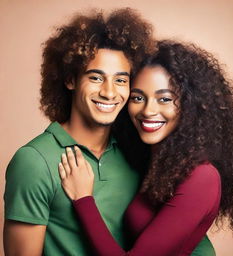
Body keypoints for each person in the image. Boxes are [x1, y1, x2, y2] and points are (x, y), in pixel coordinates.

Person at [58, 40, 233, 256]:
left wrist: (83, 199)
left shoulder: (201, 177)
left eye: (165, 99)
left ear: (191, 105)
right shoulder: (154, 161)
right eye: (138, 98)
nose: (148, 110)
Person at [3, 8, 155, 255]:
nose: (109, 92)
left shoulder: (135, 152)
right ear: (71, 80)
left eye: (120, 80)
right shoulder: (34, 161)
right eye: (96, 78)